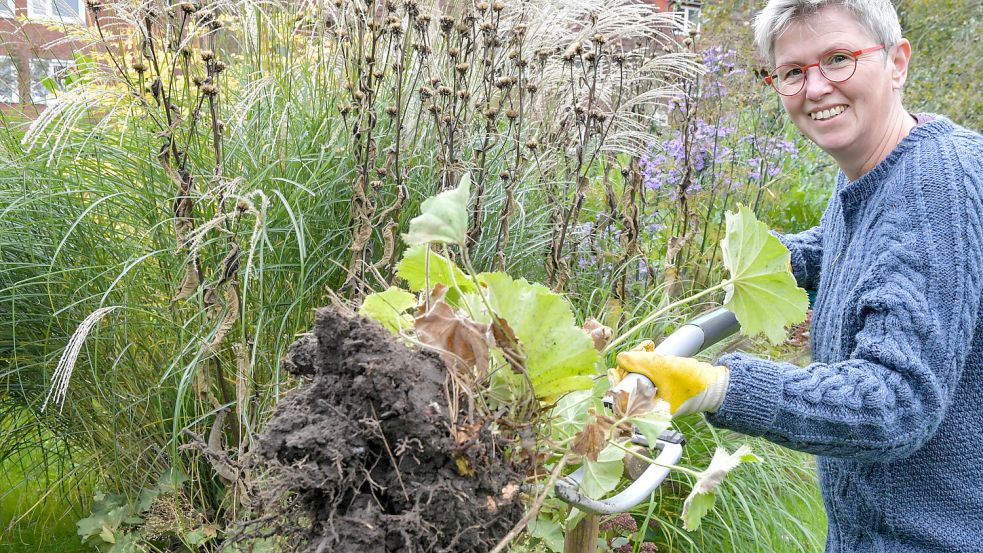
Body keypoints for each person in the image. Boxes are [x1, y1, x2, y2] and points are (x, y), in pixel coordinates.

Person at [614, 0, 983, 551]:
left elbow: (895, 402)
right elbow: (861, 244)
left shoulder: (934, 183)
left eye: (838, 59)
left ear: (897, 62)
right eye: (793, 72)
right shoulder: (884, 167)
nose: (815, 88)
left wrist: (720, 385)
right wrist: (764, 259)